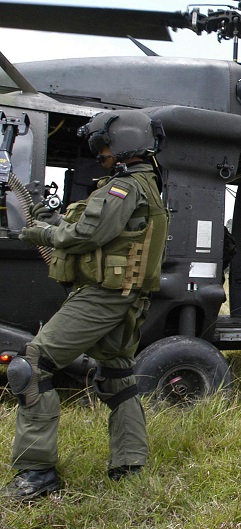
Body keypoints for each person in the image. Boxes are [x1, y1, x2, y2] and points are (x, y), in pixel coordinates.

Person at [2, 110, 168, 500]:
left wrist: (38, 231)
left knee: (32, 365)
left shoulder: (125, 187)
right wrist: (44, 212)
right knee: (116, 377)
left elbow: (87, 234)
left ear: (123, 144)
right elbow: (96, 228)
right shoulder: (142, 184)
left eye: (105, 146)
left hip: (103, 295)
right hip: (124, 297)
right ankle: (130, 464)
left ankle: (36, 474)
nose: (102, 154)